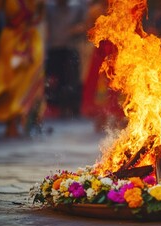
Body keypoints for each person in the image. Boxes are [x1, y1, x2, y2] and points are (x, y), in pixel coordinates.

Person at [0, 0, 45, 137]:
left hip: (30, 42)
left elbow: (40, 16)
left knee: (27, 81)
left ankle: (17, 121)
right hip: (10, 41)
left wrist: (41, 6)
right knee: (10, 83)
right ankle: (10, 122)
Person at [81, 0, 125, 131]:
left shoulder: (123, 7)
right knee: (101, 87)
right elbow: (89, 32)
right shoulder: (95, 10)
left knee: (120, 87)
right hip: (102, 53)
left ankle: (119, 120)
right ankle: (101, 120)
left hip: (120, 52)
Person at [45, 0, 87, 118]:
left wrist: (75, 29)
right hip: (53, 48)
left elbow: (85, 25)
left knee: (70, 79)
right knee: (54, 79)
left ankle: (69, 108)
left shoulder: (77, 6)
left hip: (70, 48)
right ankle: (54, 107)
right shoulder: (49, 7)